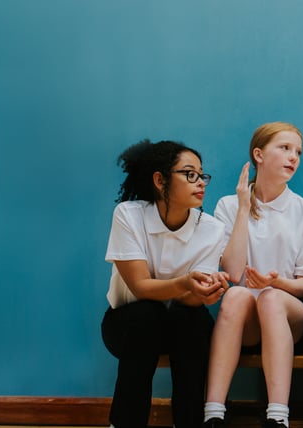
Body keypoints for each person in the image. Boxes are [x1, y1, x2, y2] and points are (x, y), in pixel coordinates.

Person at [203, 122, 303, 428]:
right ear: (258, 154)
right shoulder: (228, 206)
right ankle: (214, 414)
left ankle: (277, 417)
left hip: (289, 313)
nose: (293, 157)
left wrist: (274, 283)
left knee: (271, 299)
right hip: (245, 317)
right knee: (234, 294)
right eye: (284, 148)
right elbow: (232, 272)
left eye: (297, 151)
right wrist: (244, 208)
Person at [102, 139, 229, 428]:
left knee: (193, 319)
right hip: (128, 323)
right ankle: (124, 423)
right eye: (189, 174)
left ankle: (189, 422)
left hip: (180, 323)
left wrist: (207, 293)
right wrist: (186, 281)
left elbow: (192, 301)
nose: (200, 182)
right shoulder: (129, 215)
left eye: (202, 174)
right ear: (160, 180)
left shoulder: (212, 229)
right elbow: (141, 287)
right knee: (147, 314)